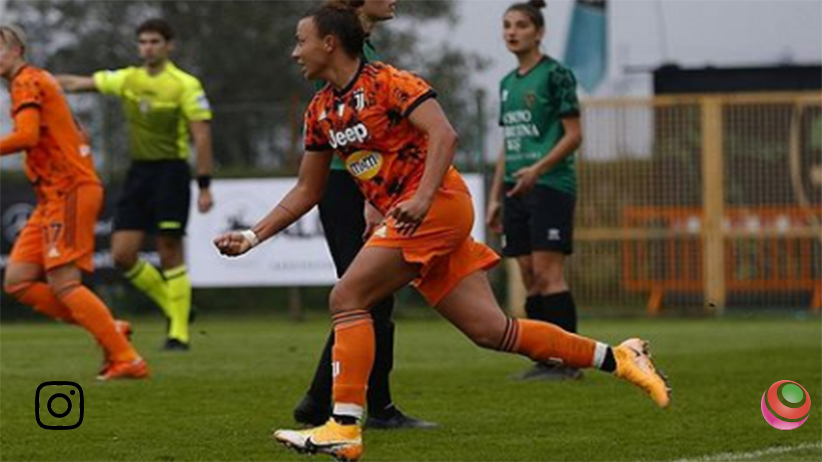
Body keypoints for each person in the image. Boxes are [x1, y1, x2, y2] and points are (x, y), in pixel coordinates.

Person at [215, 5, 670, 461]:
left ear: (329, 43)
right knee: (493, 331)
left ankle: (345, 427)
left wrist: (421, 198)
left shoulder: (389, 82)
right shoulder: (319, 111)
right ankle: (620, 358)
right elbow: (307, 190)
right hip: (419, 216)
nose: (295, 52)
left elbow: (444, 135)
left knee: (347, 297)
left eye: (301, 41)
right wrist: (252, 236)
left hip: (437, 207)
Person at [293, 0, 435, 430]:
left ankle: (328, 400)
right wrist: (374, 198)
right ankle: (361, 406)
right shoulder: (345, 47)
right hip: (351, 185)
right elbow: (366, 136)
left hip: (360, 184)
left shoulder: (360, 46)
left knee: (366, 295)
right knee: (364, 294)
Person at [0, 24, 148, 381]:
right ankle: (109, 329)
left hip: (68, 190)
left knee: (64, 283)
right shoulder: (38, 80)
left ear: (17, 50)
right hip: (54, 194)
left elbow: (27, 136)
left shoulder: (26, 81)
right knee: (18, 280)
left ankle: (127, 358)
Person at [56, 18, 214, 351]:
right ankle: (177, 306)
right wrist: (33, 79)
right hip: (139, 173)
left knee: (169, 248)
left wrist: (203, 184)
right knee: (122, 254)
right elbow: (77, 83)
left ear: (169, 46)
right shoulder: (129, 78)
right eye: (143, 42)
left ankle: (178, 333)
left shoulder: (185, 85)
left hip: (172, 172)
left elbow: (201, 136)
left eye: (155, 41)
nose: (148, 48)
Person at [487, 0, 584, 380]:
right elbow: (508, 144)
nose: (512, 32)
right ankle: (546, 359)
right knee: (528, 275)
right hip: (515, 190)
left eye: (521, 25)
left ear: (539, 32)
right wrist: (495, 197)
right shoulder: (506, 84)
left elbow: (574, 135)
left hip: (550, 185)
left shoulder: (556, 74)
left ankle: (570, 361)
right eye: (507, 25)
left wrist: (538, 169)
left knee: (547, 273)